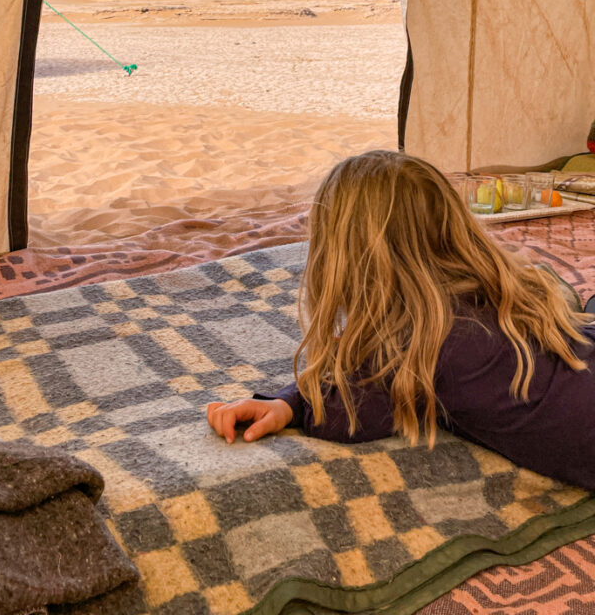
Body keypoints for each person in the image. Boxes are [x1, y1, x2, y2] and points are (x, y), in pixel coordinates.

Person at [206, 151, 595, 490]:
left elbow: (343, 417)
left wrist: (292, 403)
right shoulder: (498, 288)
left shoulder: (422, 341)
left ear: (346, 260)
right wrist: (287, 400)